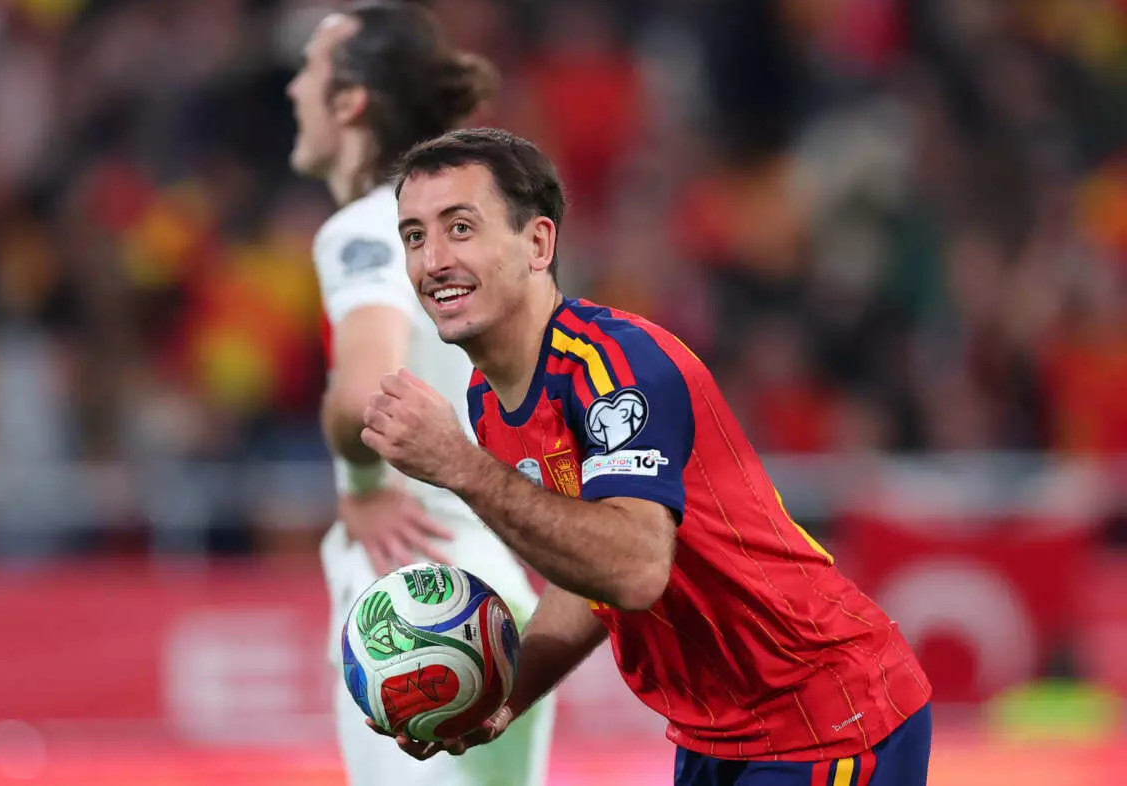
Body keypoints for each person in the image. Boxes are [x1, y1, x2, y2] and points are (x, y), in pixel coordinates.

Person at [359, 127, 934, 786]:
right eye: (414, 236)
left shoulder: (617, 367)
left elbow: (634, 568)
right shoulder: (488, 403)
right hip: (717, 732)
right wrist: (501, 700)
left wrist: (459, 465)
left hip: (828, 715)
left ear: (538, 243)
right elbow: (594, 581)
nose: (433, 260)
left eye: (460, 228)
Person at [286, 1, 554, 786]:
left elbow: (367, 392)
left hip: (409, 593)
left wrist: (365, 487)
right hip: (502, 587)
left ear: (350, 103)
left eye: (309, 68)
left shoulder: (370, 226)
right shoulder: (479, 229)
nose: (292, 88)